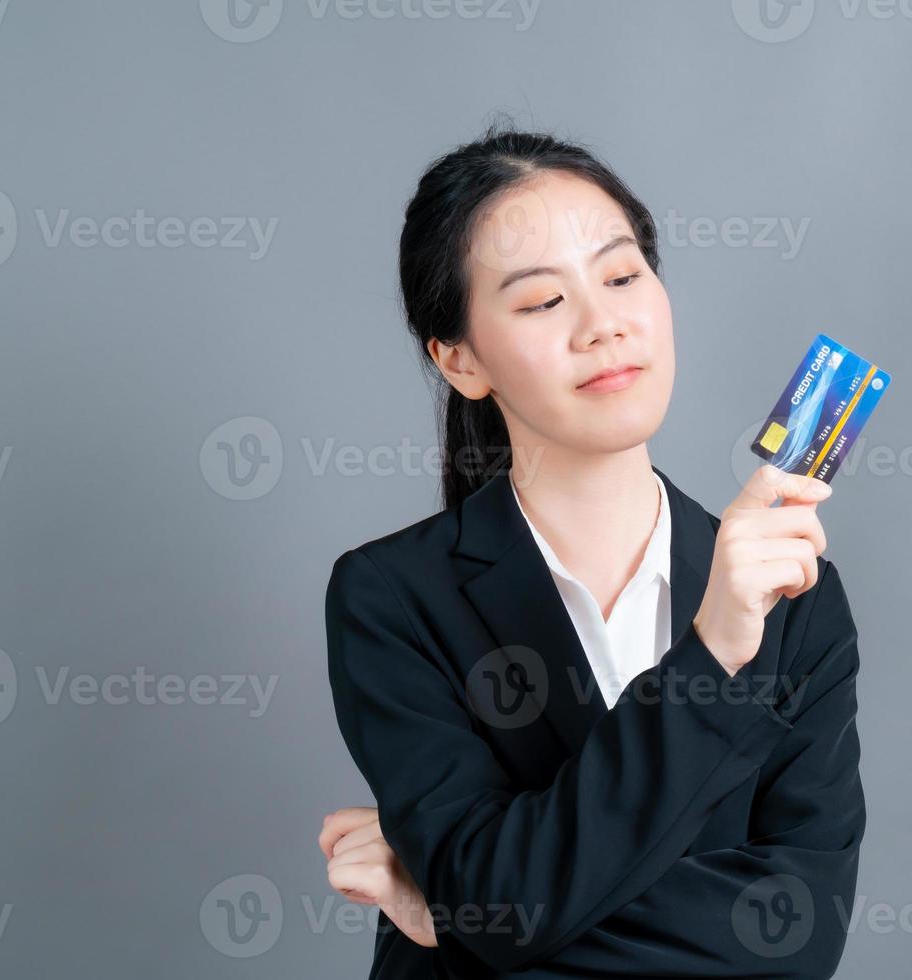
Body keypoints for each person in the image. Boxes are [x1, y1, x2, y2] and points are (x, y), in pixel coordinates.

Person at [319, 123, 865, 979]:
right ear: (460, 360)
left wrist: (451, 915)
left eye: (620, 276)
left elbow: (794, 936)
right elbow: (500, 909)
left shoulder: (795, 594)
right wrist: (714, 653)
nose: (603, 325)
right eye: (542, 301)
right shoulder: (392, 596)